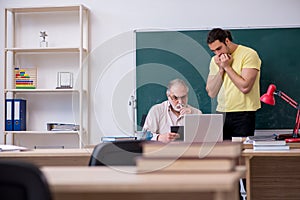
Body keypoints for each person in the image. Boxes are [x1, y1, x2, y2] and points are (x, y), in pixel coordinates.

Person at [206, 28, 262, 140]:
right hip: (221, 112)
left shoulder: (249, 54)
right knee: (222, 154)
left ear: (227, 41)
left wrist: (227, 67)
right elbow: (211, 92)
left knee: (241, 153)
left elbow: (245, 87)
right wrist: (221, 68)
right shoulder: (215, 60)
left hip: (243, 113)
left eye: (219, 48)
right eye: (213, 51)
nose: (217, 53)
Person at [143, 79, 202, 143]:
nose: (180, 102)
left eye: (183, 97)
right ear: (168, 96)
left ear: (187, 95)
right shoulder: (156, 111)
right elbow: (144, 135)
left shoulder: (196, 113)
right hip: (164, 151)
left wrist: (192, 119)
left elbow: (204, 138)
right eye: (175, 98)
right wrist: (159, 137)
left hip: (189, 151)